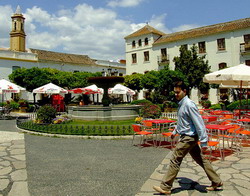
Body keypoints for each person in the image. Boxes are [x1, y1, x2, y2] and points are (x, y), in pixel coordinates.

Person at [153, 81, 222, 195]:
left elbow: (199, 123)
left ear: (184, 91)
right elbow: (182, 122)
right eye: (175, 92)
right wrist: (175, 131)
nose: (176, 94)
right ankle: (216, 181)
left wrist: (204, 142)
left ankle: (165, 187)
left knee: (175, 159)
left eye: (178, 92)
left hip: (189, 137)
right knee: (201, 159)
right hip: (188, 136)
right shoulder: (181, 103)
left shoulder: (189, 104)